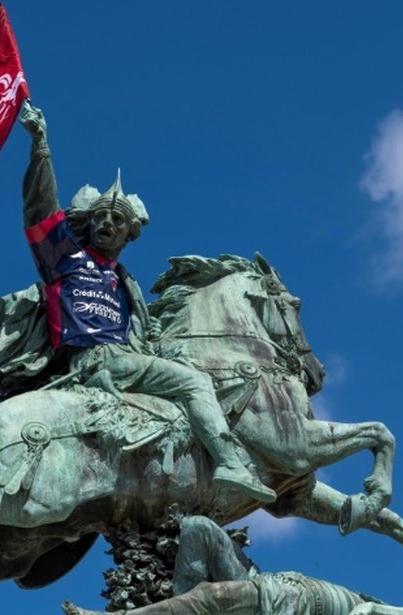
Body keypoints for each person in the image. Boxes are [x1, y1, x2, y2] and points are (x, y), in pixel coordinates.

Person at [16, 100, 275, 504]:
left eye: (117, 220)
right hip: (97, 362)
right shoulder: (64, 258)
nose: (106, 224)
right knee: (193, 382)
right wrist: (40, 145)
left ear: (128, 234)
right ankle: (228, 461)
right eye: (101, 216)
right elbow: (40, 206)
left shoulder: (126, 282)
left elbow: (144, 333)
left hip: (128, 360)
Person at [62, 515, 403, 615]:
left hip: (288, 602)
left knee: (210, 596)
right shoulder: (364, 600)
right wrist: (375, 610)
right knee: (198, 527)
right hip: (266, 579)